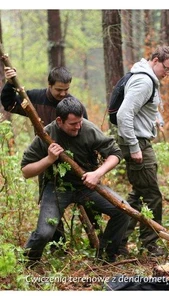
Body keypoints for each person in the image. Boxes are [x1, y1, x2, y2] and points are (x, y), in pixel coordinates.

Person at [21, 96, 129, 264]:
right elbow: (26, 171)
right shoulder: (47, 134)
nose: (78, 126)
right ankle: (27, 262)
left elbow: (115, 154)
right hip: (58, 187)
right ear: (59, 120)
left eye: (80, 122)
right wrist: (49, 159)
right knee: (44, 233)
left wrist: (97, 173)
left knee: (123, 210)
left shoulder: (88, 129)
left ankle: (105, 258)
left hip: (87, 186)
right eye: (73, 124)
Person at [0, 66, 97, 249]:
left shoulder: (74, 105)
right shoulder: (34, 98)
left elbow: (85, 134)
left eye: (66, 90)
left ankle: (97, 240)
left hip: (72, 161)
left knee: (89, 204)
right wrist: (10, 83)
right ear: (49, 84)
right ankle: (56, 246)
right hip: (45, 158)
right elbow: (9, 103)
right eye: (58, 89)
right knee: (51, 205)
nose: (62, 94)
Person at [116, 45, 169, 257]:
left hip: (141, 141)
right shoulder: (144, 80)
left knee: (138, 194)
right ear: (155, 60)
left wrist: (157, 119)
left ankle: (117, 241)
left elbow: (147, 107)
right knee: (152, 196)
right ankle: (150, 244)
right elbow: (124, 114)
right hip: (138, 142)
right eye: (166, 68)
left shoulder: (148, 79)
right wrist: (134, 147)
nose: (167, 73)